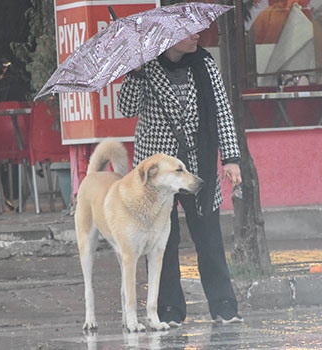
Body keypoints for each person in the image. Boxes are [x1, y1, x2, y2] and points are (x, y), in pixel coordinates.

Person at [117, 33, 243, 327]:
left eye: (196, 30)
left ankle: (224, 305)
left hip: (197, 167)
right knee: (163, 242)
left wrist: (231, 159)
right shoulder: (146, 67)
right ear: (168, 38)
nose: (196, 36)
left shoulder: (205, 64)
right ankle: (169, 309)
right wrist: (135, 72)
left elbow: (222, 112)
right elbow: (127, 108)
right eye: (187, 33)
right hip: (157, 174)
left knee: (209, 236)